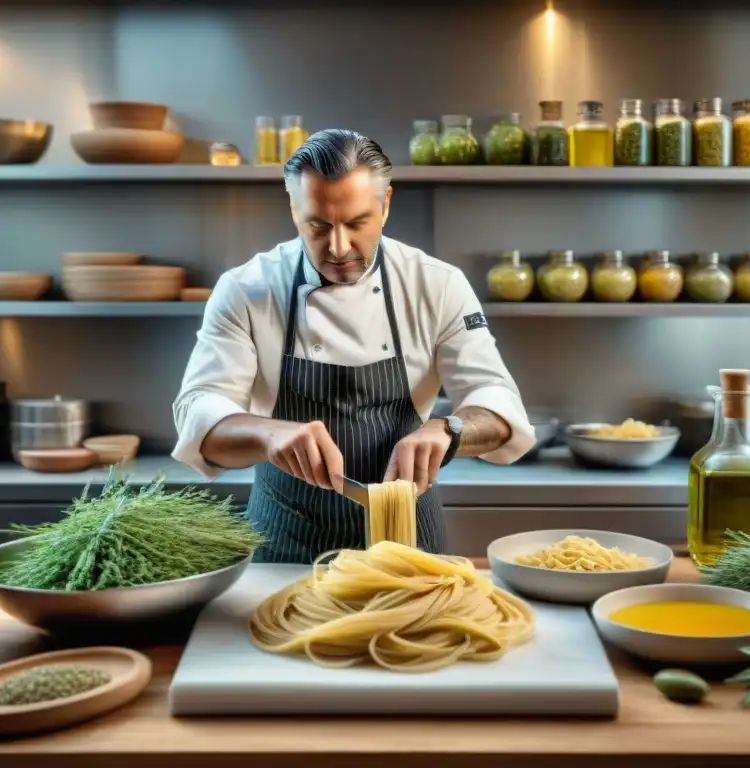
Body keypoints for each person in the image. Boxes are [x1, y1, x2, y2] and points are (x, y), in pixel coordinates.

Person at [172, 128, 534, 563]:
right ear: (293, 208)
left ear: (385, 205)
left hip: (408, 545)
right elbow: (198, 414)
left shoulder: (437, 285)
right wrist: (269, 435)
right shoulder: (247, 290)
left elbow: (496, 403)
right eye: (318, 225)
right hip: (286, 542)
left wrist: (449, 430)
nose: (339, 246)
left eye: (357, 223)